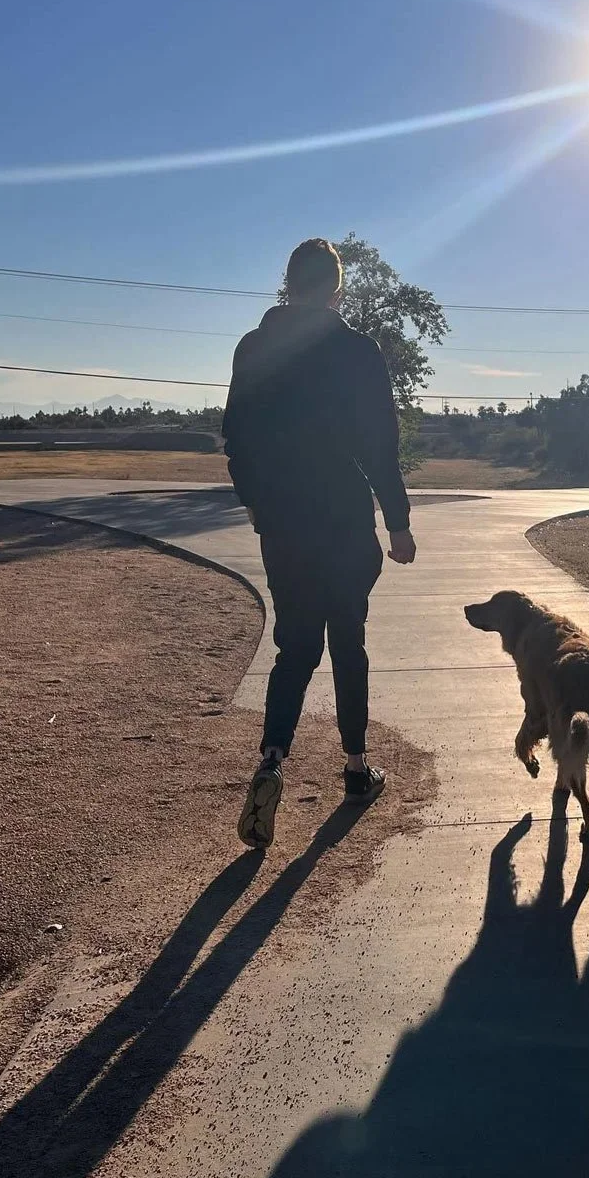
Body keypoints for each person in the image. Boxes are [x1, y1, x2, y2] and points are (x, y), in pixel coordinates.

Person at [222, 237, 417, 847]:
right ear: (337, 289)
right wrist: (398, 520)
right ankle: (356, 769)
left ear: (287, 283)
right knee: (348, 644)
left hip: (285, 527)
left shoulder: (253, 348)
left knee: (295, 649)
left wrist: (260, 508)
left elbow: (237, 440)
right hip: (344, 523)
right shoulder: (357, 352)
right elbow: (379, 445)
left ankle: (272, 761)